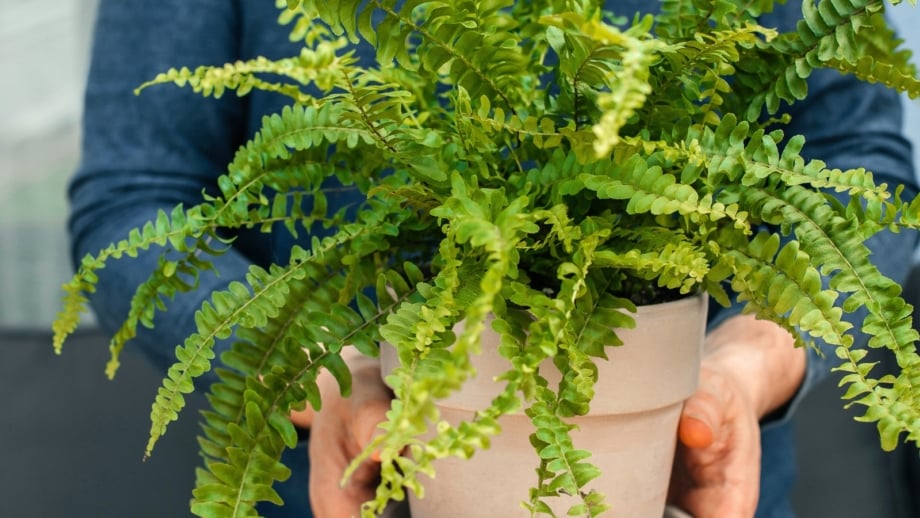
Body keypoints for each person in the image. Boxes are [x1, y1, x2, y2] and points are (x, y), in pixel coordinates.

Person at [69, 1, 919, 517]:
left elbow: (860, 175)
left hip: (689, 486)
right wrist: (321, 366)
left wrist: (750, 359)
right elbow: (134, 205)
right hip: (353, 490)